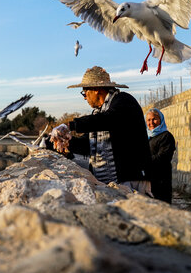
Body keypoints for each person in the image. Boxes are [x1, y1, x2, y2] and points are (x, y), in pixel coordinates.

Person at [50, 66, 152, 195]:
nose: (84, 97)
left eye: (84, 92)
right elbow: (88, 145)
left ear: (96, 90)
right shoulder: (99, 112)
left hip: (131, 178)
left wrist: (70, 125)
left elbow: (108, 120)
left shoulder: (124, 101)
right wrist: (67, 142)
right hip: (111, 181)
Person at [146, 108, 176, 203]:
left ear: (161, 120)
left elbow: (163, 158)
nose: (152, 122)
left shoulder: (166, 136)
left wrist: (143, 161)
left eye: (155, 119)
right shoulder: (147, 137)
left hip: (161, 180)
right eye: (148, 120)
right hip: (148, 181)